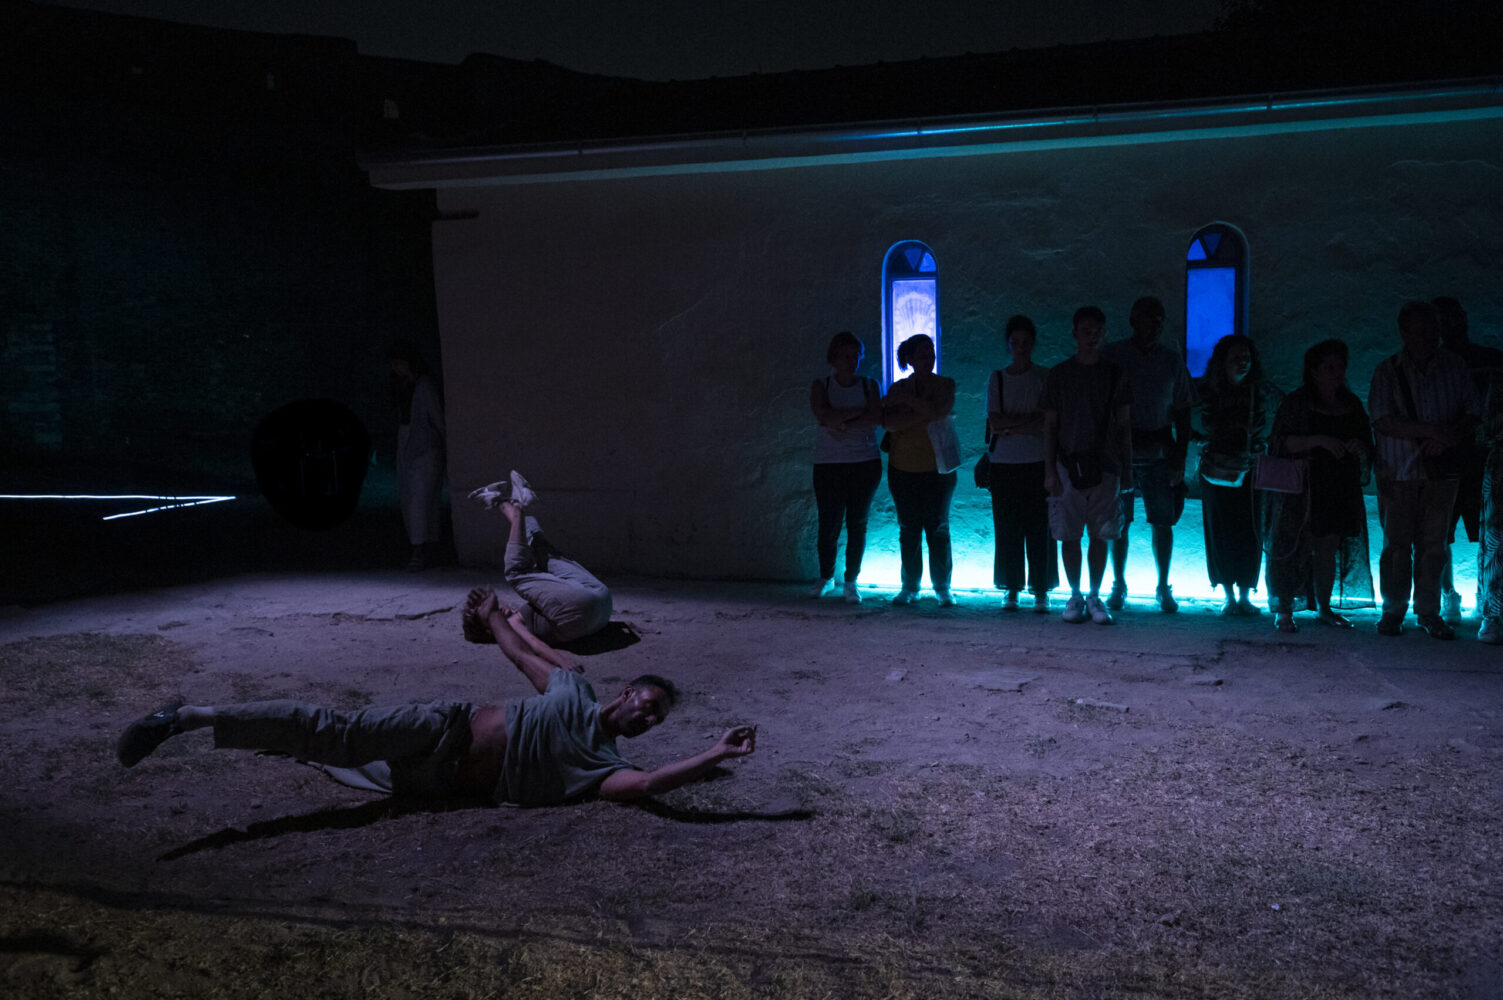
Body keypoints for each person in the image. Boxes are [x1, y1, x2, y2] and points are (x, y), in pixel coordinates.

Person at [116, 588, 758, 807]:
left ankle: (256, 736)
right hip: (440, 729)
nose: (648, 716)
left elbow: (648, 786)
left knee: (332, 756)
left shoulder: (605, 769)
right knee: (332, 731)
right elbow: (525, 657)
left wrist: (714, 754)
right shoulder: (575, 690)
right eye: (648, 702)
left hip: (439, 785)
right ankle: (186, 717)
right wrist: (495, 617)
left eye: (655, 719)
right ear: (628, 691)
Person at [1368, 301, 1480, 639]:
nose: (1430, 336)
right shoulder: (1388, 371)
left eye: (1433, 328)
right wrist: (1433, 432)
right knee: (1397, 546)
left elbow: (1473, 413)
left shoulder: (1455, 367)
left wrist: (1448, 438)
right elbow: (1382, 420)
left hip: (1441, 472)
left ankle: (1428, 611)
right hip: (1398, 470)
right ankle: (1393, 610)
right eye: (1421, 329)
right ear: (1404, 332)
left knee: (1434, 545)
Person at [1264, 340, 1375, 632]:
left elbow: (1366, 440)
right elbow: (1280, 442)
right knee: (1291, 546)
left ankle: (1324, 608)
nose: (1337, 373)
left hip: (1337, 485)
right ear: (1314, 371)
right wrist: (1319, 440)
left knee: (1328, 547)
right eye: (1329, 367)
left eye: (1340, 367)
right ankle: (1285, 609)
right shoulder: (1297, 403)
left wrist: (1358, 446)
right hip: (1302, 486)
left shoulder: (1350, 404)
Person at [1103, 297, 1197, 613]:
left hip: (1160, 450)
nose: (1155, 325)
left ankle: (1163, 586)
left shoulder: (1171, 360)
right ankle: (1118, 584)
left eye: (1159, 320)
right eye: (1148, 319)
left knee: (1163, 520)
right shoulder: (1114, 356)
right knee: (1119, 521)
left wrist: (1180, 456)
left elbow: (1183, 410)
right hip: (1122, 451)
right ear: (1133, 320)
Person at [1042, 306, 1133, 625]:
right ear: (1075, 334)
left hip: (1106, 465)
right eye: (1086, 332)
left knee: (1101, 534)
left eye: (1097, 332)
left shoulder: (1115, 373)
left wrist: (1127, 468)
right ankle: (1075, 594)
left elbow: (1125, 425)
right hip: (1068, 464)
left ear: (1104, 334)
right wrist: (1050, 470)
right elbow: (1050, 425)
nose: (1092, 338)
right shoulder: (1060, 375)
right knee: (1068, 534)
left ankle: (1093, 594)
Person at [467, 472, 613, 644]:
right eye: (485, 611)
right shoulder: (511, 626)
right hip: (582, 611)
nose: (495, 606)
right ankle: (516, 505)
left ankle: (499, 500)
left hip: (602, 601)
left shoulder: (523, 614)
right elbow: (535, 645)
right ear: (488, 629)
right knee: (515, 572)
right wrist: (559, 658)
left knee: (542, 552)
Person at [1194, 335, 1277, 617]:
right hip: (1218, 469)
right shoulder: (1209, 392)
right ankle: (1230, 594)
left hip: (1248, 468)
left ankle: (1242, 594)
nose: (1243, 363)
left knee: (1249, 530)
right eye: (1236, 358)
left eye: (1246, 358)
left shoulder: (1259, 392)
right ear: (1223, 362)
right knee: (1221, 530)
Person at [1433, 297, 1503, 624]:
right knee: (1440, 532)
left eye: (1454, 317)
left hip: (1478, 457)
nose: (1451, 325)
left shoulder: (1487, 360)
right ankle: (1454, 596)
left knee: (1488, 532)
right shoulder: (1433, 364)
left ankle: (1482, 596)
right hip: (1448, 456)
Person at [985, 315, 1057, 613]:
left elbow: (1047, 423)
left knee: (1041, 528)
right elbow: (995, 421)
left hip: (1038, 461)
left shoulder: (1044, 377)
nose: (1020, 347)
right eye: (1015, 342)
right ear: (1008, 344)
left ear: (1033, 343)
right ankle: (1011, 588)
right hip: (1004, 464)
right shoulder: (998, 378)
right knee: (1007, 528)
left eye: (1025, 342)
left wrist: (1012, 425)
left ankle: (1040, 589)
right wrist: (1027, 424)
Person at [808, 331, 884, 602]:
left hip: (864, 462)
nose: (851, 362)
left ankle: (851, 581)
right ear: (834, 358)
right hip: (828, 463)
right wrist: (857, 414)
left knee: (857, 523)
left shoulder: (870, 385)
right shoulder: (822, 385)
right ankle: (826, 577)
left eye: (855, 356)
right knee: (828, 523)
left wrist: (838, 420)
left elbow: (875, 418)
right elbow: (822, 415)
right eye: (845, 356)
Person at [882, 334, 958, 606]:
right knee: (908, 528)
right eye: (923, 355)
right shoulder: (898, 388)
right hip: (902, 467)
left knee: (938, 528)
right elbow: (889, 423)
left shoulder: (944, 384)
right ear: (910, 359)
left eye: (931, 354)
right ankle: (910, 586)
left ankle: (942, 587)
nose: (929, 359)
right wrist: (925, 412)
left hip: (938, 468)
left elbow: (940, 411)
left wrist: (908, 405)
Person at [388, 341, 447, 572]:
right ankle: (423, 547)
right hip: (409, 444)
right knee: (413, 498)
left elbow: (436, 418)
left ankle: (420, 550)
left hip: (425, 447)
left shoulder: (424, 386)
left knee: (421, 499)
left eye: (399, 363)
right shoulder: (404, 385)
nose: (395, 367)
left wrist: (444, 443)